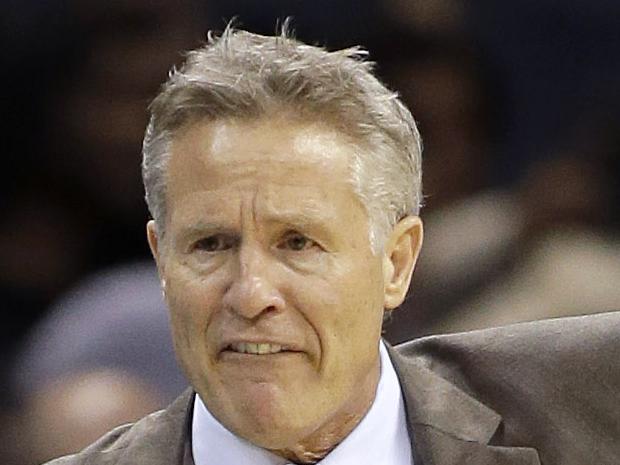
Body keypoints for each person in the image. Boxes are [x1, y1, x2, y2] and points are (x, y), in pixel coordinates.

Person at [46, 26, 620, 465]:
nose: (251, 295)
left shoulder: (589, 400)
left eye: (298, 242)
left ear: (396, 263)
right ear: (161, 260)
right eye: (210, 244)